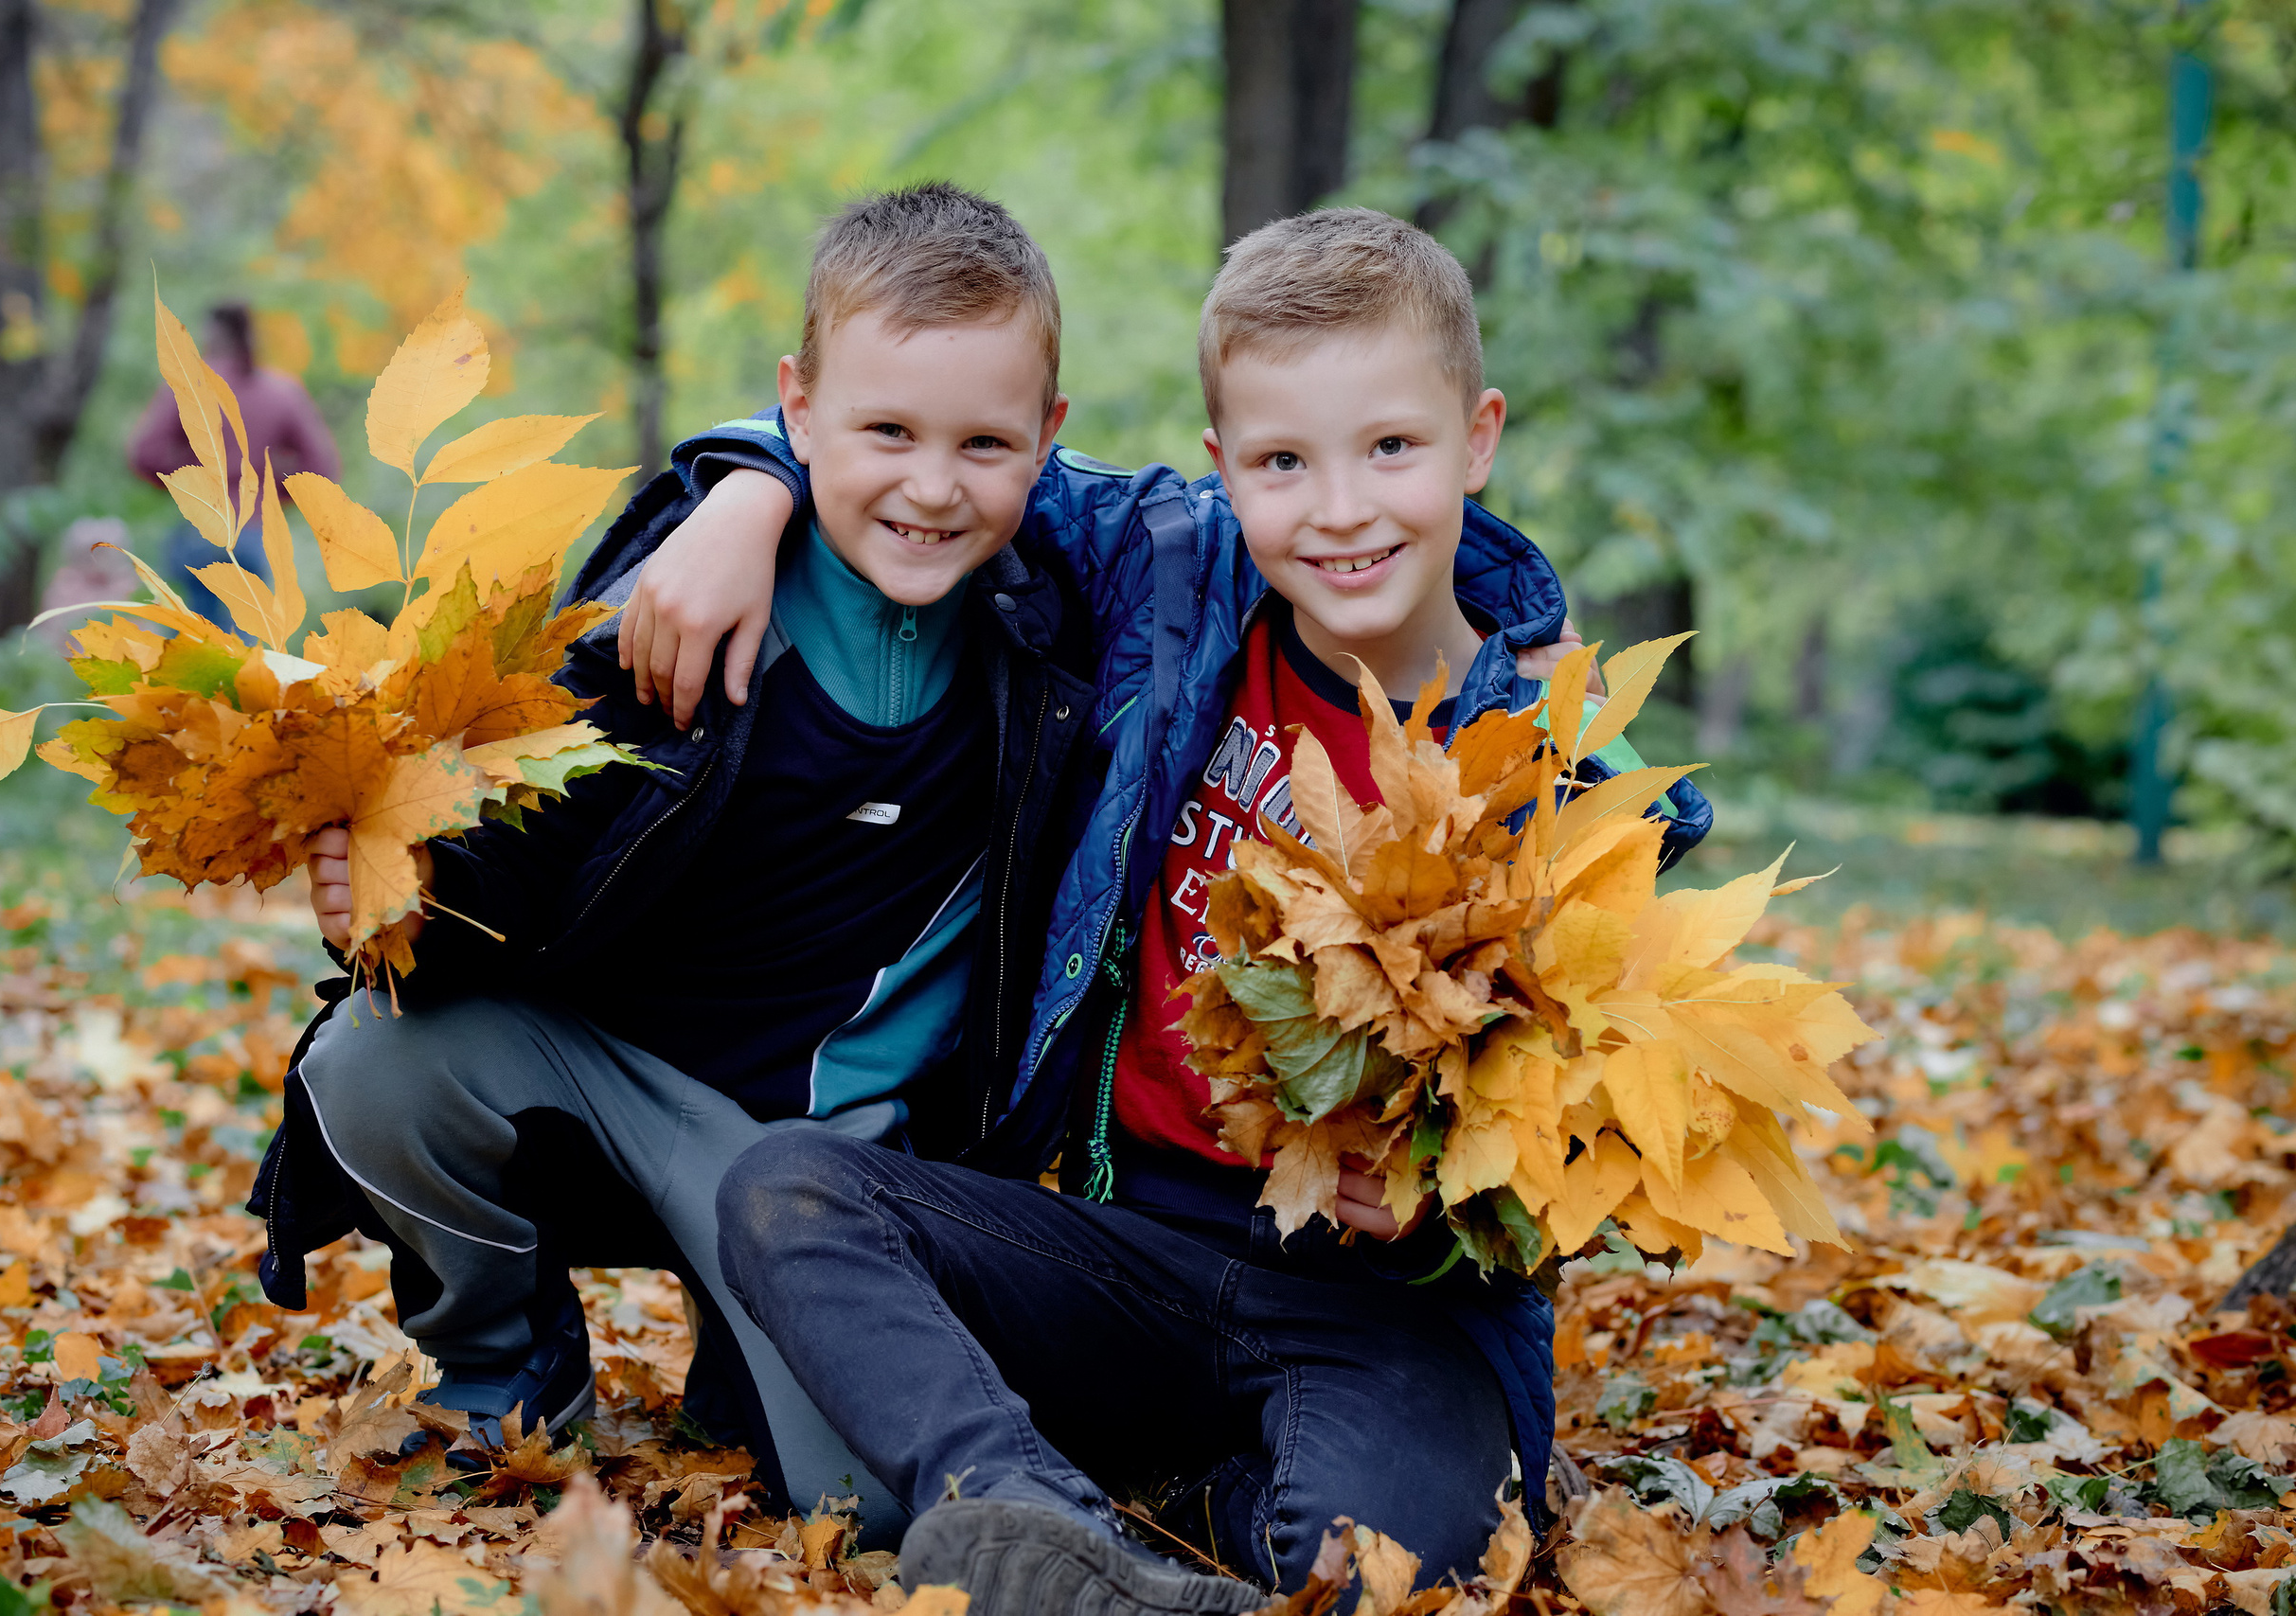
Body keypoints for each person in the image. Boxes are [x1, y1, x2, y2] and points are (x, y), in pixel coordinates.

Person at [628, 209, 1712, 1613]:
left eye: (1391, 448)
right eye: (1281, 461)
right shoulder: (1174, 580)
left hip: (1384, 1311)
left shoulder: (1555, 765)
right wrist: (745, 491)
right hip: (1129, 1246)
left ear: (1478, 436)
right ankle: (1018, 1505)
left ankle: (1171, 1522)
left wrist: (1457, 1196)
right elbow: (934, 445)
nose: (1338, 509)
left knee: (1363, 1567)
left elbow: (1617, 1128)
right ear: (1223, 468)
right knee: (785, 1187)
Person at [248, 186, 1124, 1542]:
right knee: (370, 1060)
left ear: (1048, 439)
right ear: (800, 404)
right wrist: (394, 876)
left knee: (875, 1505)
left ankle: (749, 1342)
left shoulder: (1060, 633)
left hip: (834, 1166)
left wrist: (1521, 624)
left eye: (986, 441)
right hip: (612, 1084)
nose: (933, 484)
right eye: (886, 429)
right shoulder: (678, 605)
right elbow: (520, 841)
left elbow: (1286, 501)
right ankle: (504, 1375)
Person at [126, 302, 339, 629]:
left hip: (199, 528)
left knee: (186, 646)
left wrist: (189, 477)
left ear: (213, 333)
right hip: (253, 531)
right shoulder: (283, 391)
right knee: (247, 647)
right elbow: (321, 468)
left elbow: (144, 454)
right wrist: (269, 491)